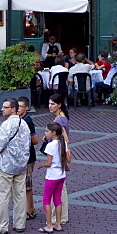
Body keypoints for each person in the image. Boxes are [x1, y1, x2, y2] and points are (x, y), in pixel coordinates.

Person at [0, 97, 30, 234]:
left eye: (5, 107)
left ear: (13, 109)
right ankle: (20, 223)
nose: (2, 109)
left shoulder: (7, 125)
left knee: (3, 195)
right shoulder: (24, 124)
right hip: (21, 165)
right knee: (20, 195)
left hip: (6, 165)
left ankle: (2, 225)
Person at [38, 121, 70, 233]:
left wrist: (41, 165)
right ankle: (58, 223)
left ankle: (49, 225)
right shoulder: (63, 143)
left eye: (47, 131)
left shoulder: (50, 145)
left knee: (46, 199)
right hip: (61, 175)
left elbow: (49, 163)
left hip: (52, 176)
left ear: (53, 133)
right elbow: (67, 159)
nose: (45, 133)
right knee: (58, 199)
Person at [44, 94, 71, 224]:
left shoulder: (59, 121)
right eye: (49, 104)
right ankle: (62, 216)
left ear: (59, 105)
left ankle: (58, 217)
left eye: (53, 104)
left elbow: (65, 139)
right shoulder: (62, 119)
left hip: (57, 156)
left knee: (58, 189)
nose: (50, 106)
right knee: (61, 187)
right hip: (60, 155)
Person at [17, 97, 39, 223]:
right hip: (23, 157)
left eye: (21, 106)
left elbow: (35, 140)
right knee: (24, 184)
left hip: (28, 157)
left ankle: (30, 210)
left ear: (26, 108)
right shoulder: (19, 119)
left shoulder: (27, 121)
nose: (18, 109)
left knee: (27, 184)